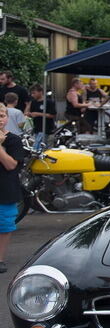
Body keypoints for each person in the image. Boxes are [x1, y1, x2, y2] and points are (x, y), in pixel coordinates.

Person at [0, 106, 26, 274]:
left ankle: (0, 259)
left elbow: (11, 165)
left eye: (2, 115)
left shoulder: (13, 140)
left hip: (5, 189)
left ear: (7, 118)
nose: (0, 119)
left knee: (4, 224)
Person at [26, 84, 56, 150]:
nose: (32, 95)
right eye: (31, 93)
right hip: (36, 128)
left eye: (34, 93)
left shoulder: (49, 102)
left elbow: (52, 115)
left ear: (40, 92)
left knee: (38, 147)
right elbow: (28, 113)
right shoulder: (33, 102)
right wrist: (30, 113)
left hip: (46, 129)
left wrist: (39, 114)